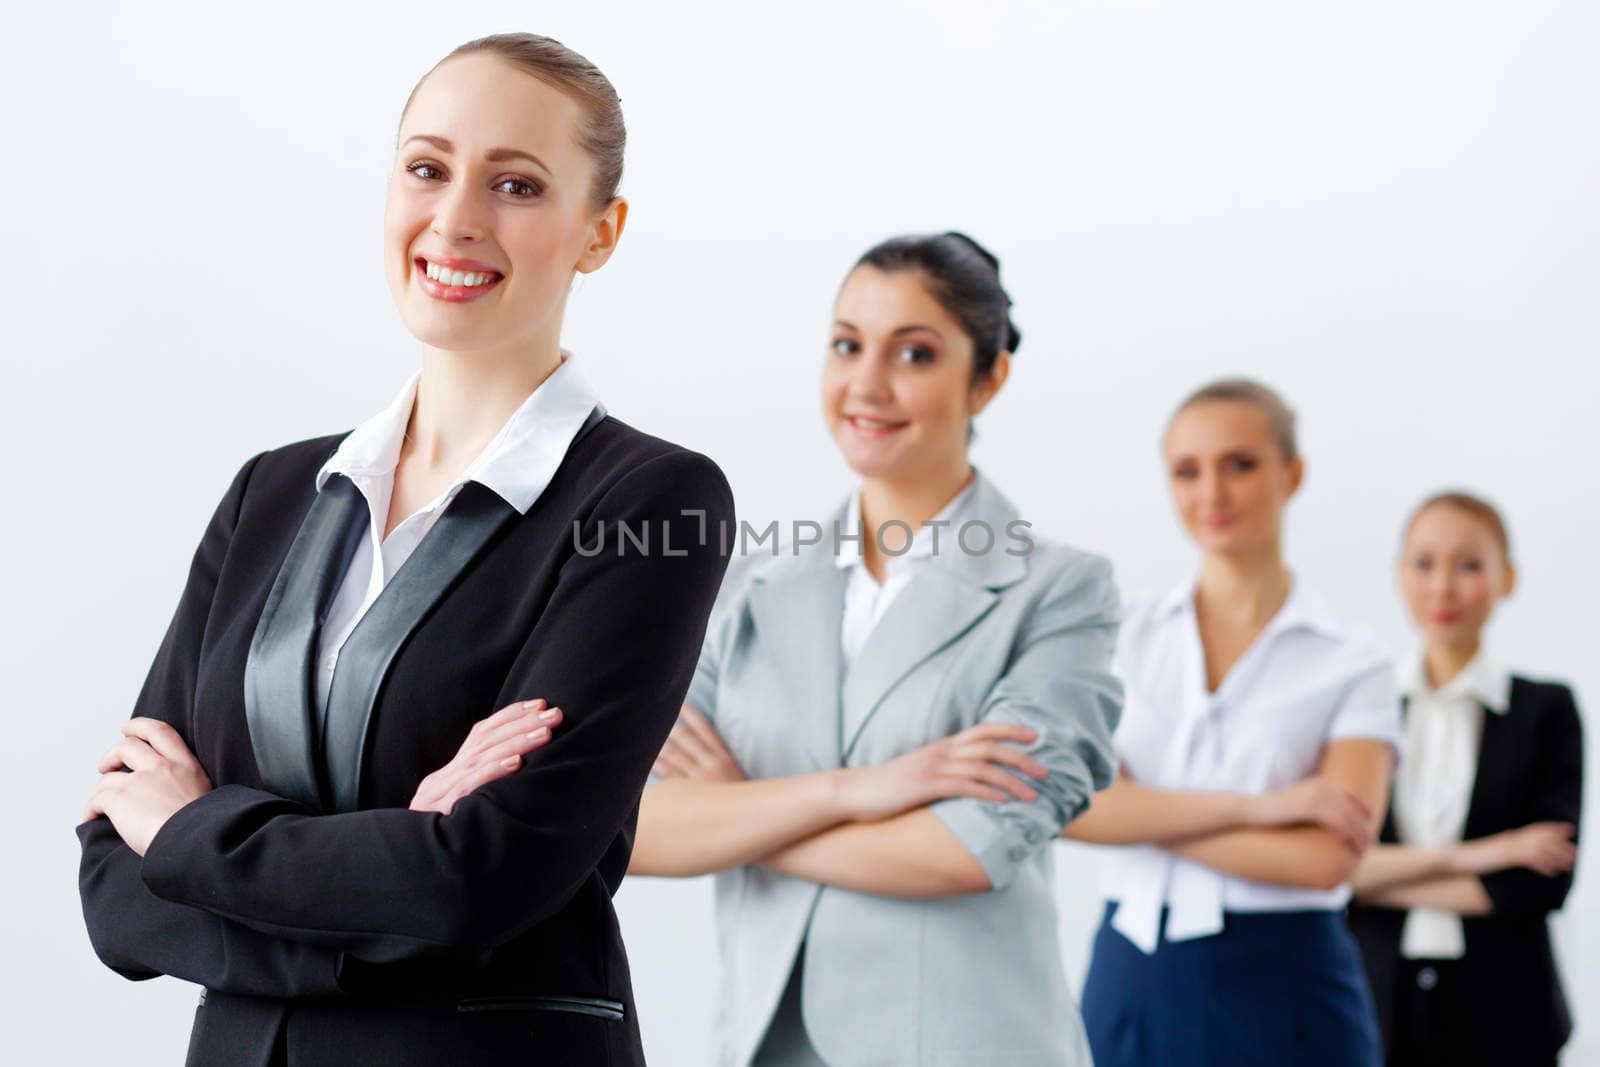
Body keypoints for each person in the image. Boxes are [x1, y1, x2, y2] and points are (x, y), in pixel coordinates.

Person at [76, 33, 734, 1066]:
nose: (457, 218)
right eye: (427, 168)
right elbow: (114, 887)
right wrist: (393, 867)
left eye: (516, 184)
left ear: (599, 232)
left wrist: (197, 834)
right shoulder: (272, 492)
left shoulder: (652, 501)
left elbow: (483, 875)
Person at [631, 232, 1123, 1066]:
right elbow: (634, 828)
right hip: (760, 1044)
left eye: (916, 353)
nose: (867, 384)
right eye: (847, 344)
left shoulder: (1059, 590)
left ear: (989, 378)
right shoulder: (750, 587)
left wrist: (746, 813)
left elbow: (970, 847)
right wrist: (867, 790)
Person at [1067, 377, 1399, 1067]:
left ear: (1293, 472)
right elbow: (1073, 806)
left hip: (1286, 981)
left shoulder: (1354, 662)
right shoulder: (1121, 635)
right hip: (1131, 977)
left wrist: (1139, 815)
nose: (1211, 493)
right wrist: (1269, 808)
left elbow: (1326, 858)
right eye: (1187, 470)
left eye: (1239, 464)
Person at [1347, 491, 1583, 1066]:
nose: (1443, 587)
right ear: (1400, 575)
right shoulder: (1362, 706)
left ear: (1508, 578)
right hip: (1374, 1000)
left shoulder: (1544, 710)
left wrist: (1371, 878)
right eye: (1424, 563)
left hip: (1507, 1007)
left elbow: (1540, 885)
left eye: (1470, 565)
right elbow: (1326, 867)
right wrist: (1493, 852)